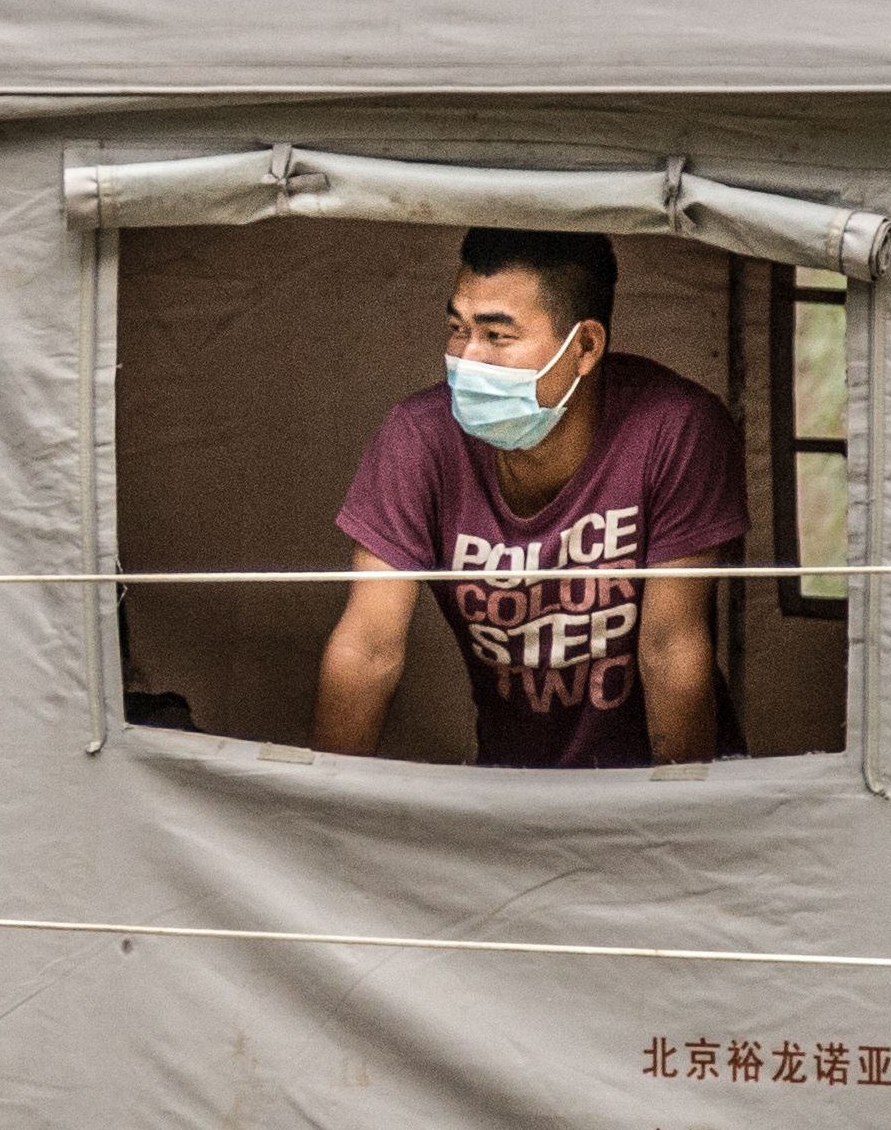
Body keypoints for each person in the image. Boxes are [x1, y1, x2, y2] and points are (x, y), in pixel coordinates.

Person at [315, 228, 747, 768]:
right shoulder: (418, 438)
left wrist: (679, 808)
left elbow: (670, 650)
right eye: (457, 329)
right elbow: (367, 650)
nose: (466, 358)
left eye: (497, 336)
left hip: (651, 785)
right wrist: (324, 803)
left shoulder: (674, 429)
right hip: (510, 784)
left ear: (585, 348)